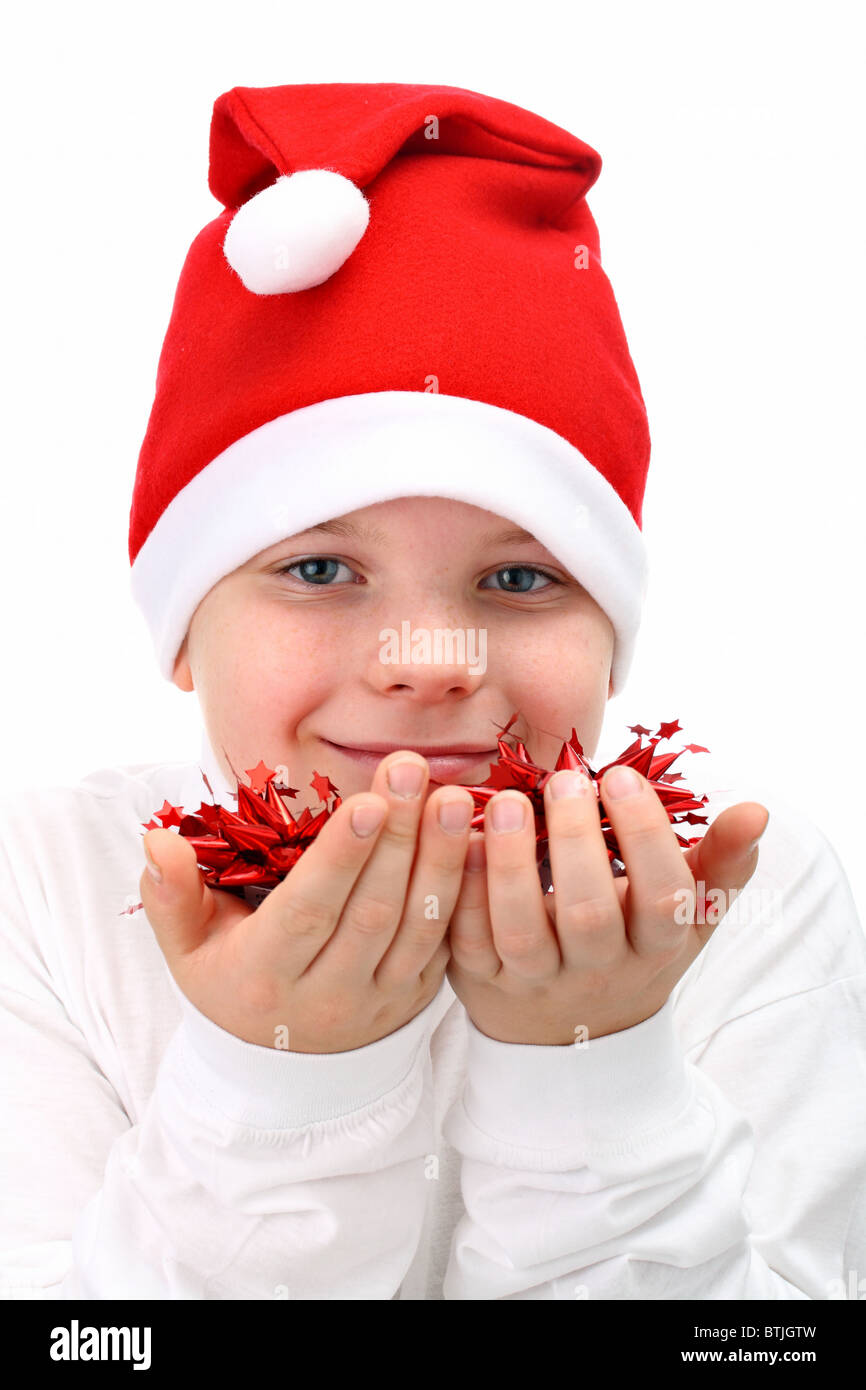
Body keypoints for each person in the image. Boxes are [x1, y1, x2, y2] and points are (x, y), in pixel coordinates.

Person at [1, 81, 864, 1301]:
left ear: (611, 638)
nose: (429, 657)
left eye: (518, 574)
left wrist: (590, 1069)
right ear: (185, 629)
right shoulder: (44, 885)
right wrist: (279, 1084)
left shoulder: (734, 901)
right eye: (315, 567)